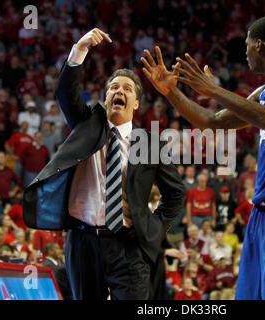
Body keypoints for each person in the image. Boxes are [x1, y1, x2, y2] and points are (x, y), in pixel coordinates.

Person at [142, 15, 265, 299]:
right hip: (262, 211)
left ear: (260, 46)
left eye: (248, 45)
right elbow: (211, 121)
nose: (246, 52)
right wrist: (172, 92)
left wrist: (214, 90)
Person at [23, 28, 185, 300]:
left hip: (127, 245)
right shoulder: (87, 123)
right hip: (82, 241)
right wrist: (80, 49)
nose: (119, 91)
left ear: (136, 104)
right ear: (106, 97)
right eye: (113, 87)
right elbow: (66, 93)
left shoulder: (150, 144)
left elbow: (176, 194)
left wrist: (153, 229)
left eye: (127, 89)